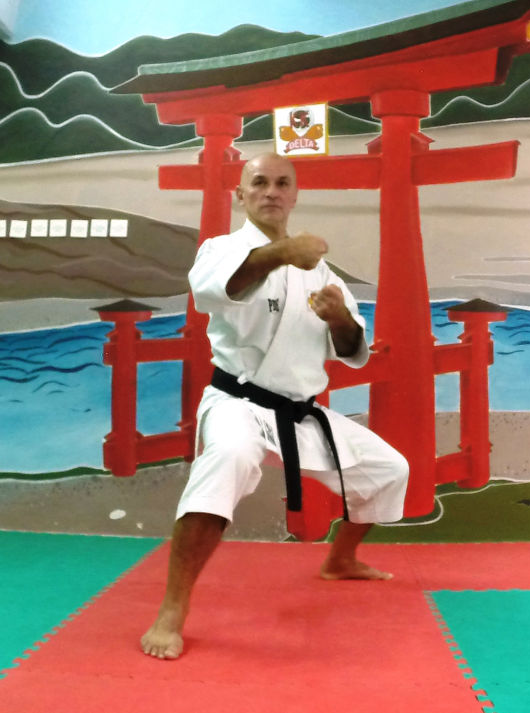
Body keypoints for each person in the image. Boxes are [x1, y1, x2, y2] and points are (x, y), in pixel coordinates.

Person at [141, 152, 409, 660]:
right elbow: (218, 289)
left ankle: (340, 560)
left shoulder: (321, 273)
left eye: (282, 183)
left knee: (390, 469)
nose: (271, 191)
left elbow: (353, 348)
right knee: (229, 458)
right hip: (237, 401)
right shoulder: (221, 250)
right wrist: (282, 253)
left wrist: (339, 319)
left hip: (300, 411)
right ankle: (172, 608)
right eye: (259, 182)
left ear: (294, 195)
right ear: (241, 195)